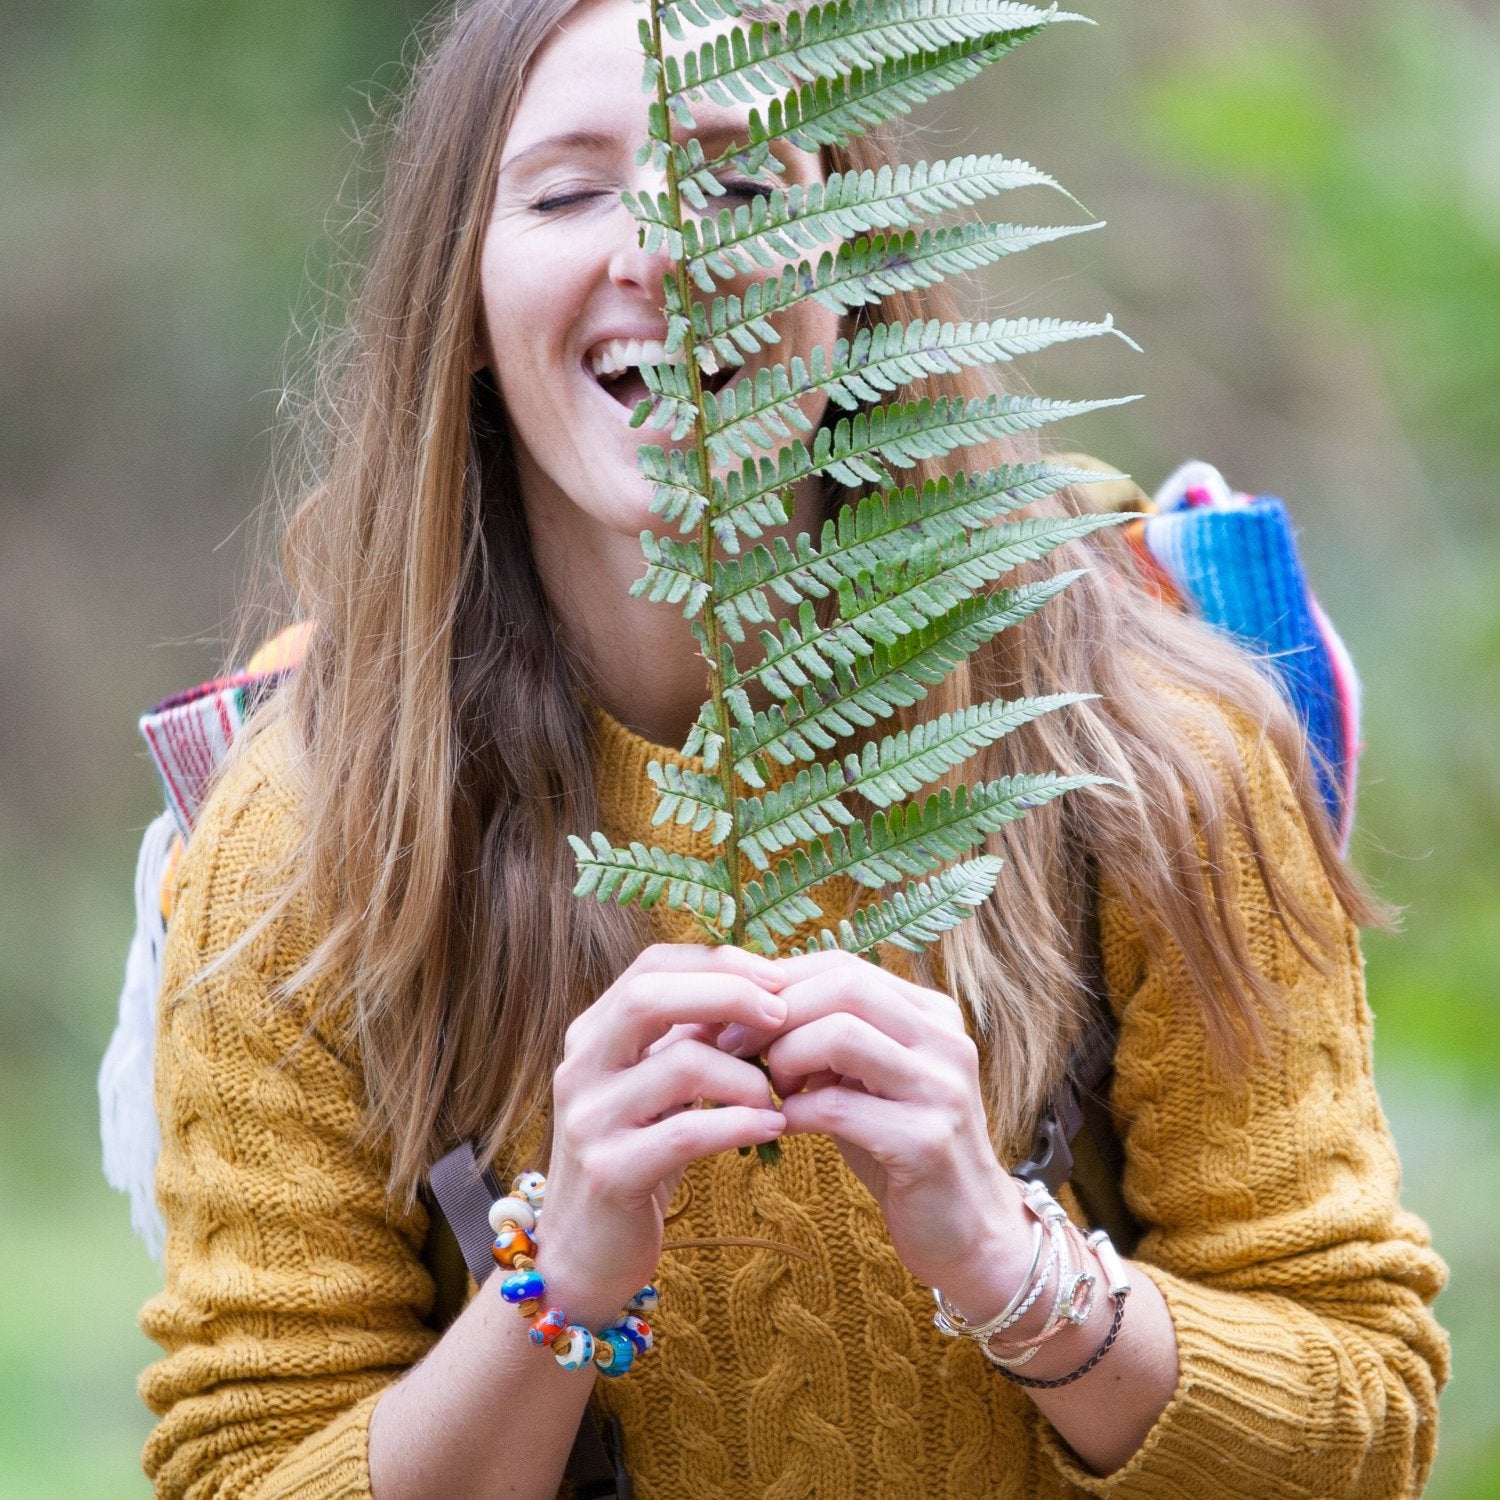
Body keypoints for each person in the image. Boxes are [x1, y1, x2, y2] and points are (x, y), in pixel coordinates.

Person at [133, 0, 1449, 1496]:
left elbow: (1365, 1428)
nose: (669, 251)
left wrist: (1008, 1262)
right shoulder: (311, 844)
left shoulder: (1147, 750)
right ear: (465, 297)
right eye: (570, 189)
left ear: (860, 262)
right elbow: (241, 1471)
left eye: (743, 182)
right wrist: (560, 1288)